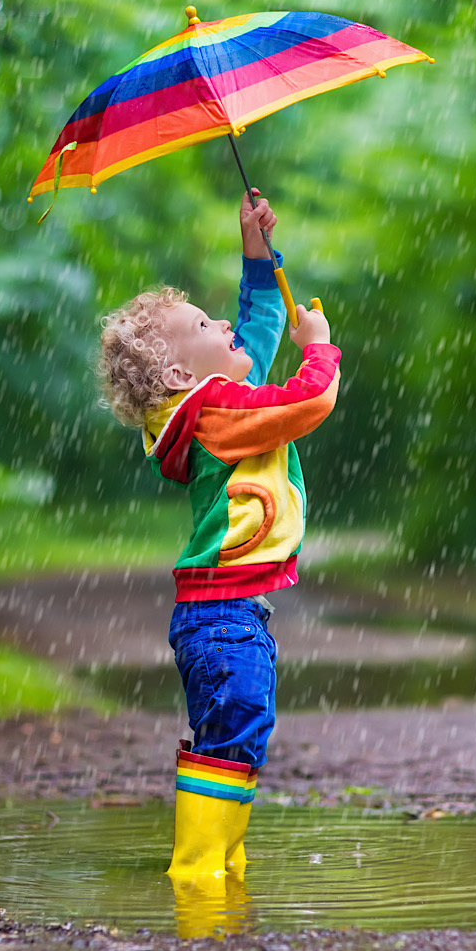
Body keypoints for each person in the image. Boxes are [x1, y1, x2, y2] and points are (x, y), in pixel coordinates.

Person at [97, 192, 340, 887]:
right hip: (222, 618)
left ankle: (219, 859)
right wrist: (319, 351)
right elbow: (305, 402)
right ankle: (200, 868)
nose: (224, 320)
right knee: (235, 727)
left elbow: (259, 325)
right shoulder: (217, 413)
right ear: (180, 377)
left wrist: (256, 250)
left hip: (225, 616)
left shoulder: (218, 396)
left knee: (237, 729)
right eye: (205, 324)